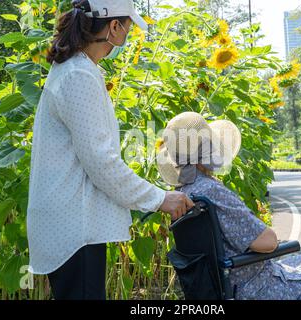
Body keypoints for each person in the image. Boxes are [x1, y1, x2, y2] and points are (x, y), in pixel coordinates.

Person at [26, 0, 193, 300]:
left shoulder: (77, 70)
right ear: (114, 27)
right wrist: (159, 199)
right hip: (75, 229)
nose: (127, 37)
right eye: (128, 27)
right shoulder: (78, 76)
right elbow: (102, 163)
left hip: (73, 225)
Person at [156, 112, 301, 300]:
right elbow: (267, 243)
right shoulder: (212, 192)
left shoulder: (182, 195)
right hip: (258, 287)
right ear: (209, 150)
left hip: (226, 287)